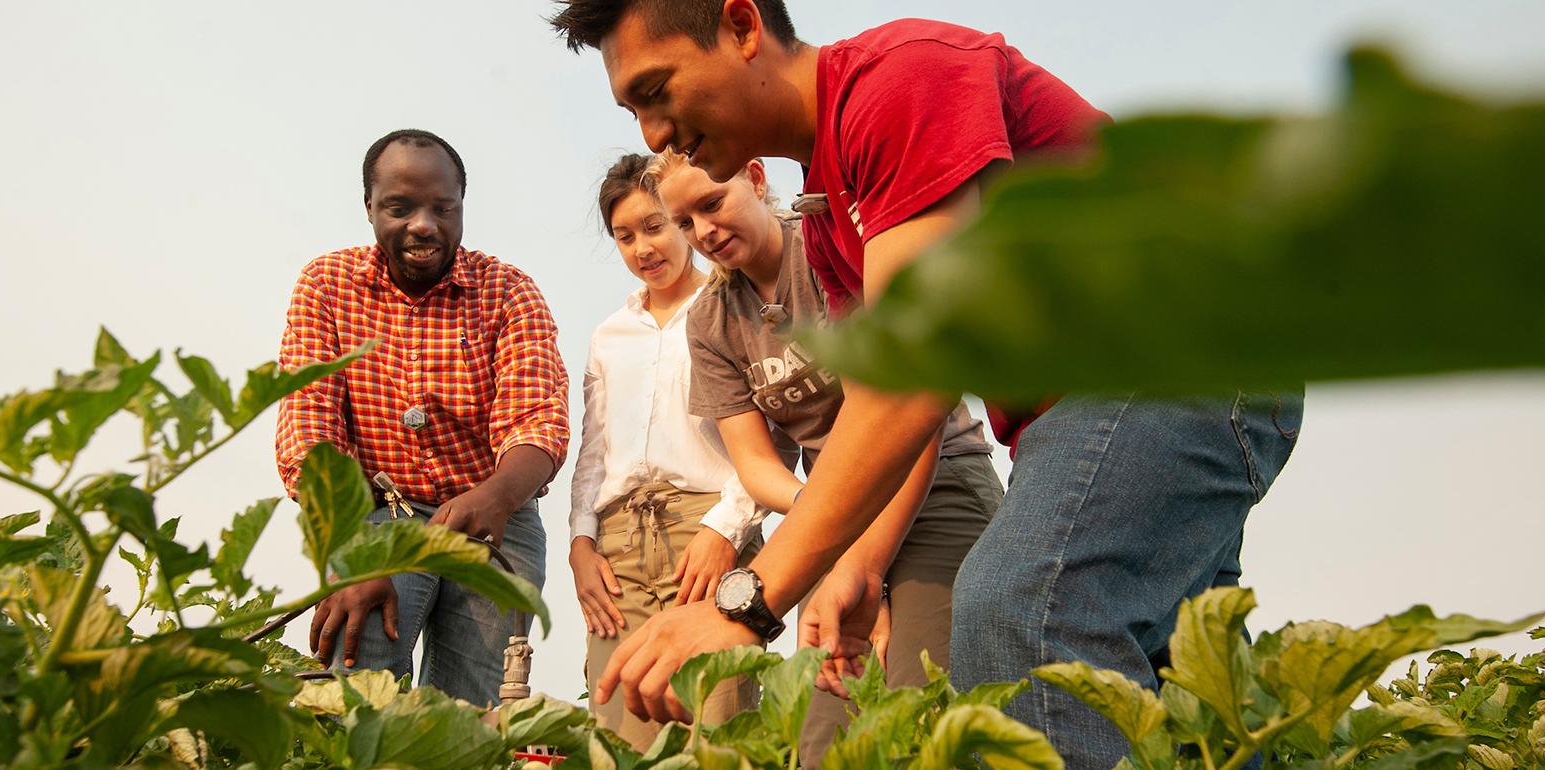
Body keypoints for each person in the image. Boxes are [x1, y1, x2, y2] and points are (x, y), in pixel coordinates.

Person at [548, 3, 1302, 766]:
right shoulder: (836, 221)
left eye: (655, 90)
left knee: (1021, 613)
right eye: (632, 110)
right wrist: (864, 565)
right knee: (1194, 699)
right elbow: (903, 408)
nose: (653, 133)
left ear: (743, 27)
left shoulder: (900, 77)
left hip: (1171, 357)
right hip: (1095, 410)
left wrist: (749, 601)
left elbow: (910, 387)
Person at [647, 149, 1002, 764]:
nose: (703, 231)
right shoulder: (709, 322)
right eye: (684, 222)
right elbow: (758, 468)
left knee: (924, 698)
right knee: (827, 722)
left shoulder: (830, 249)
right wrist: (835, 513)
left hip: (936, 476)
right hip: (831, 509)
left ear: (756, 178)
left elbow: (907, 413)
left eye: (712, 203)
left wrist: (867, 561)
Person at [275, 128, 569, 707]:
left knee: (471, 711)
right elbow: (310, 429)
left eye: (443, 207)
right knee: (357, 687)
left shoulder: (509, 291)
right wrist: (352, 554)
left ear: (462, 205)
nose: (423, 225)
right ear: (369, 209)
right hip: (374, 515)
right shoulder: (327, 285)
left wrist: (498, 496)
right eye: (400, 207)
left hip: (495, 517)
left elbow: (537, 419)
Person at [568, 153, 769, 747]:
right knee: (618, 732)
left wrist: (726, 530)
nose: (642, 249)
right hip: (620, 550)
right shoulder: (610, 335)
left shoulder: (732, 308)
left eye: (655, 226)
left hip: (704, 536)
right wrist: (582, 544)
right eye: (624, 236)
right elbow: (594, 451)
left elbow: (769, 438)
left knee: (717, 728)